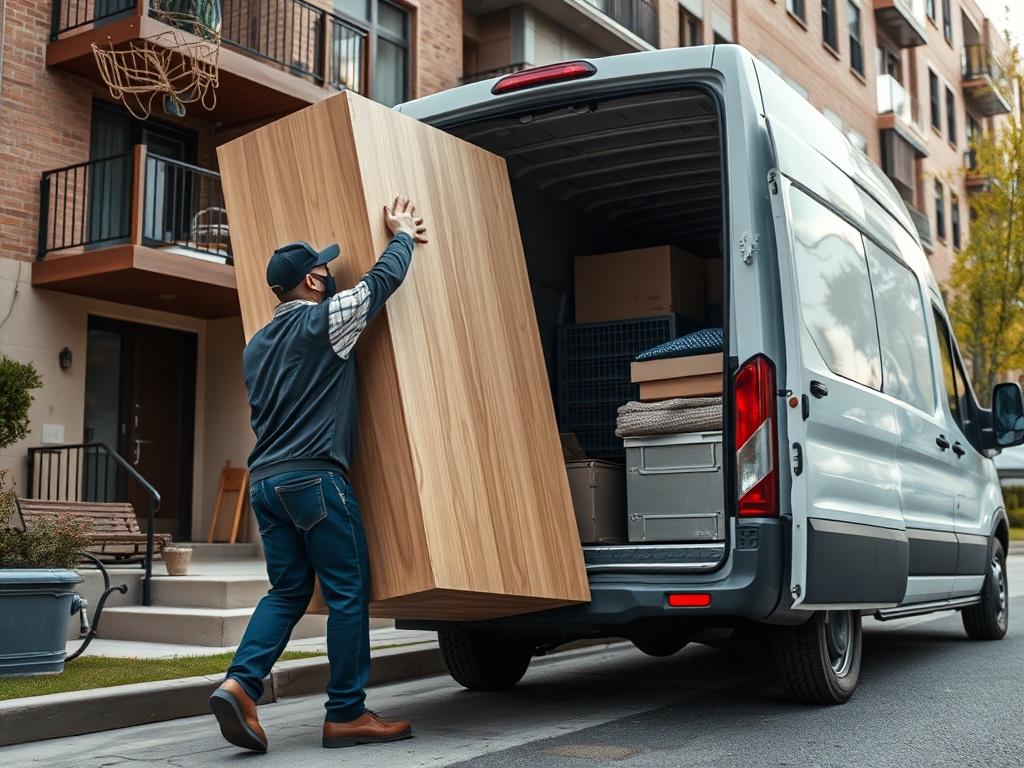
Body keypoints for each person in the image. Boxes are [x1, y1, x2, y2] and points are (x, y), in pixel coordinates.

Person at [210, 197, 427, 752]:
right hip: (315, 481)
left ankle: (241, 683)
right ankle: (347, 714)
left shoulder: (254, 346)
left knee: (286, 591)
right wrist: (402, 235)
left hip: (267, 484)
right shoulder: (322, 320)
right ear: (311, 281)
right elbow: (378, 285)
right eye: (325, 270)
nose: (331, 275)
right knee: (348, 590)